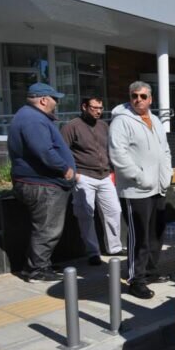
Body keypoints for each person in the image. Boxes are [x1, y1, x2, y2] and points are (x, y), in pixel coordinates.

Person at [109, 81, 173, 299]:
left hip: (157, 188)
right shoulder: (121, 122)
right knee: (140, 237)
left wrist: (164, 177)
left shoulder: (155, 120)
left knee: (156, 234)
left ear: (150, 99)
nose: (138, 99)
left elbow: (165, 151)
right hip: (136, 190)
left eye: (143, 96)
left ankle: (150, 272)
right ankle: (136, 279)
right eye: (134, 95)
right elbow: (119, 155)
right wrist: (141, 176)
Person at [8, 83, 76, 282]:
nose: (56, 103)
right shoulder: (33, 120)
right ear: (44, 100)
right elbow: (44, 151)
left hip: (40, 182)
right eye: (55, 99)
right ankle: (36, 270)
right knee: (48, 228)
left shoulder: (29, 116)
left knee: (45, 227)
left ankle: (40, 263)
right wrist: (65, 168)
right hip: (42, 184)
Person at [61, 96, 123, 266]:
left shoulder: (104, 126)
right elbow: (62, 151)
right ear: (84, 107)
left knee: (114, 211)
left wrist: (112, 170)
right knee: (86, 215)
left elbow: (111, 148)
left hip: (104, 176)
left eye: (100, 108)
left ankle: (114, 247)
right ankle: (93, 252)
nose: (98, 111)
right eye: (94, 108)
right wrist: (75, 174)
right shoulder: (71, 126)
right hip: (83, 176)